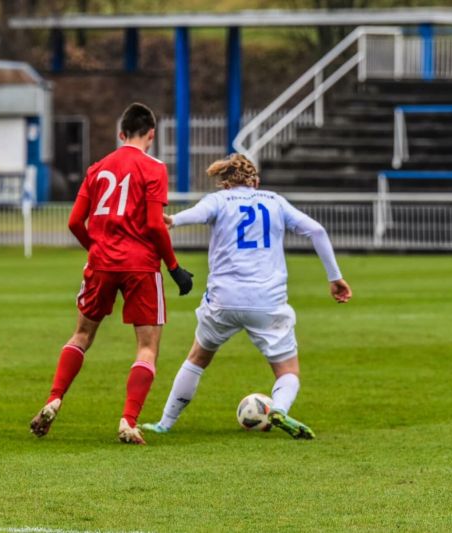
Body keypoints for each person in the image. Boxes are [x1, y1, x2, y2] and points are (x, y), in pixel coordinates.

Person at [142, 154, 351, 440]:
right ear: (256, 181)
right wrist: (334, 277)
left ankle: (164, 423)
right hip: (267, 301)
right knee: (288, 371)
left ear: (225, 183)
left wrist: (173, 220)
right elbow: (317, 230)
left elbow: (197, 213)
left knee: (197, 359)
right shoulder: (274, 201)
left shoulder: (220, 200)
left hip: (223, 300)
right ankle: (278, 408)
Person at [30, 103, 194, 445]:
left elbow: (75, 221)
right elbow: (153, 223)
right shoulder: (154, 168)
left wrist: (95, 249)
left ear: (121, 134)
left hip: (101, 263)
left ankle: (53, 399)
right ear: (151, 134)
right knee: (147, 348)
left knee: (81, 336)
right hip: (140, 266)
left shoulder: (98, 168)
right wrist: (175, 268)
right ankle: (128, 420)